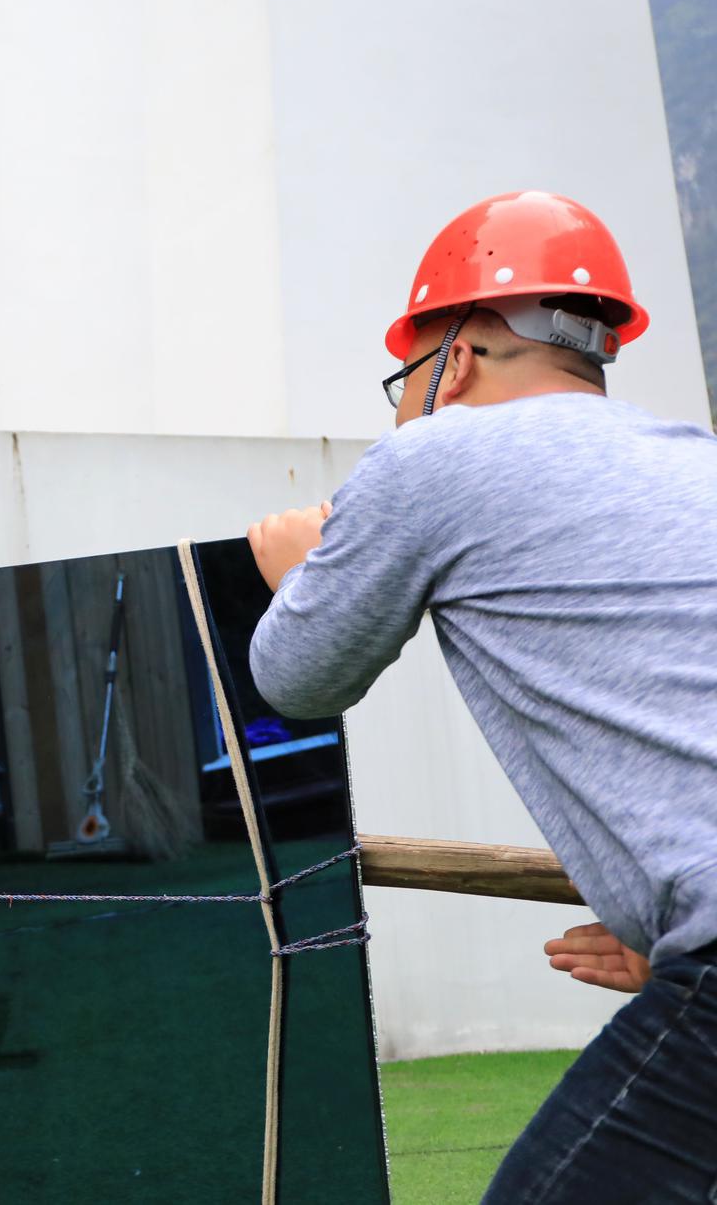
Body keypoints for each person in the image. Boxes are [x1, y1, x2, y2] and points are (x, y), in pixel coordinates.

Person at [244, 191, 717, 1203]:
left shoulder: (431, 457)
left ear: (452, 355)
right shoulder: (692, 463)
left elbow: (297, 677)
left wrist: (298, 570)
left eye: (402, 376)